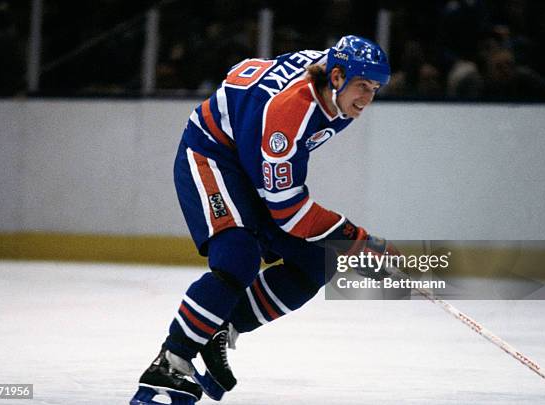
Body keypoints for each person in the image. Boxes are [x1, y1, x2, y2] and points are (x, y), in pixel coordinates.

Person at [131, 35, 399, 405]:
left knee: (316, 261)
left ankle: (220, 326)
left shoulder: (336, 80)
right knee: (237, 258)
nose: (367, 98)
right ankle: (170, 365)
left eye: (374, 88)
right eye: (362, 87)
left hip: (251, 158)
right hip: (212, 153)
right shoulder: (289, 114)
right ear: (336, 77)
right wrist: (357, 240)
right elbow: (288, 212)